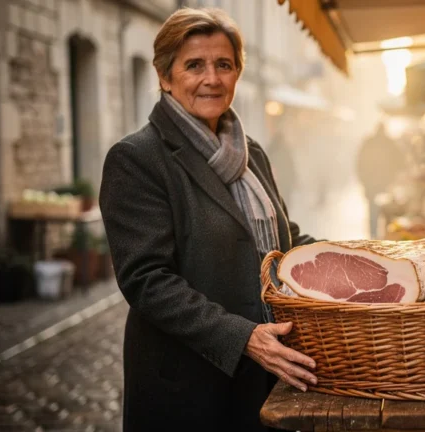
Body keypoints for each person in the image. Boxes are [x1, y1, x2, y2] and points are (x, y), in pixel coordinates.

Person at [99, 8, 317, 431]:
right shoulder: (137, 158)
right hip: (190, 383)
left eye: (224, 65)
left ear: (237, 74)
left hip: (266, 374)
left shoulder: (252, 152)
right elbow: (147, 280)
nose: (212, 78)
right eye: (194, 65)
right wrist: (242, 338)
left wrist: (363, 257)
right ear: (165, 76)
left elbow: (284, 242)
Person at [356, 122, 406, 238]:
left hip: (372, 183)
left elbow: (360, 163)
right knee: (386, 210)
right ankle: (385, 235)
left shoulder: (369, 142)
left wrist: (363, 180)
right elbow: (401, 161)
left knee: (373, 211)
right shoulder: (389, 142)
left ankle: (373, 235)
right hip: (385, 183)